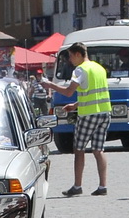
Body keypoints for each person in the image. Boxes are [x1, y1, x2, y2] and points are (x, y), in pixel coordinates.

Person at [41, 42, 110, 196]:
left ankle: (77, 186)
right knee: (98, 150)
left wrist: (50, 85)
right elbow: (95, 93)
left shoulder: (80, 70)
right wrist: (76, 105)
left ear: (78, 54)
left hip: (88, 115)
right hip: (105, 112)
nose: (70, 60)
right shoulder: (99, 68)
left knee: (79, 149)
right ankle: (102, 186)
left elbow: (68, 91)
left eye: (71, 56)